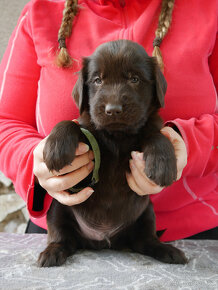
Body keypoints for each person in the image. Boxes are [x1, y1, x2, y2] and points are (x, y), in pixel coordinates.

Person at [0, 0, 217, 241]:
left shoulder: (208, 9)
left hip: (190, 233)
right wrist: (32, 162)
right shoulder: (40, 11)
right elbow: (5, 122)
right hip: (68, 230)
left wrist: (191, 145)